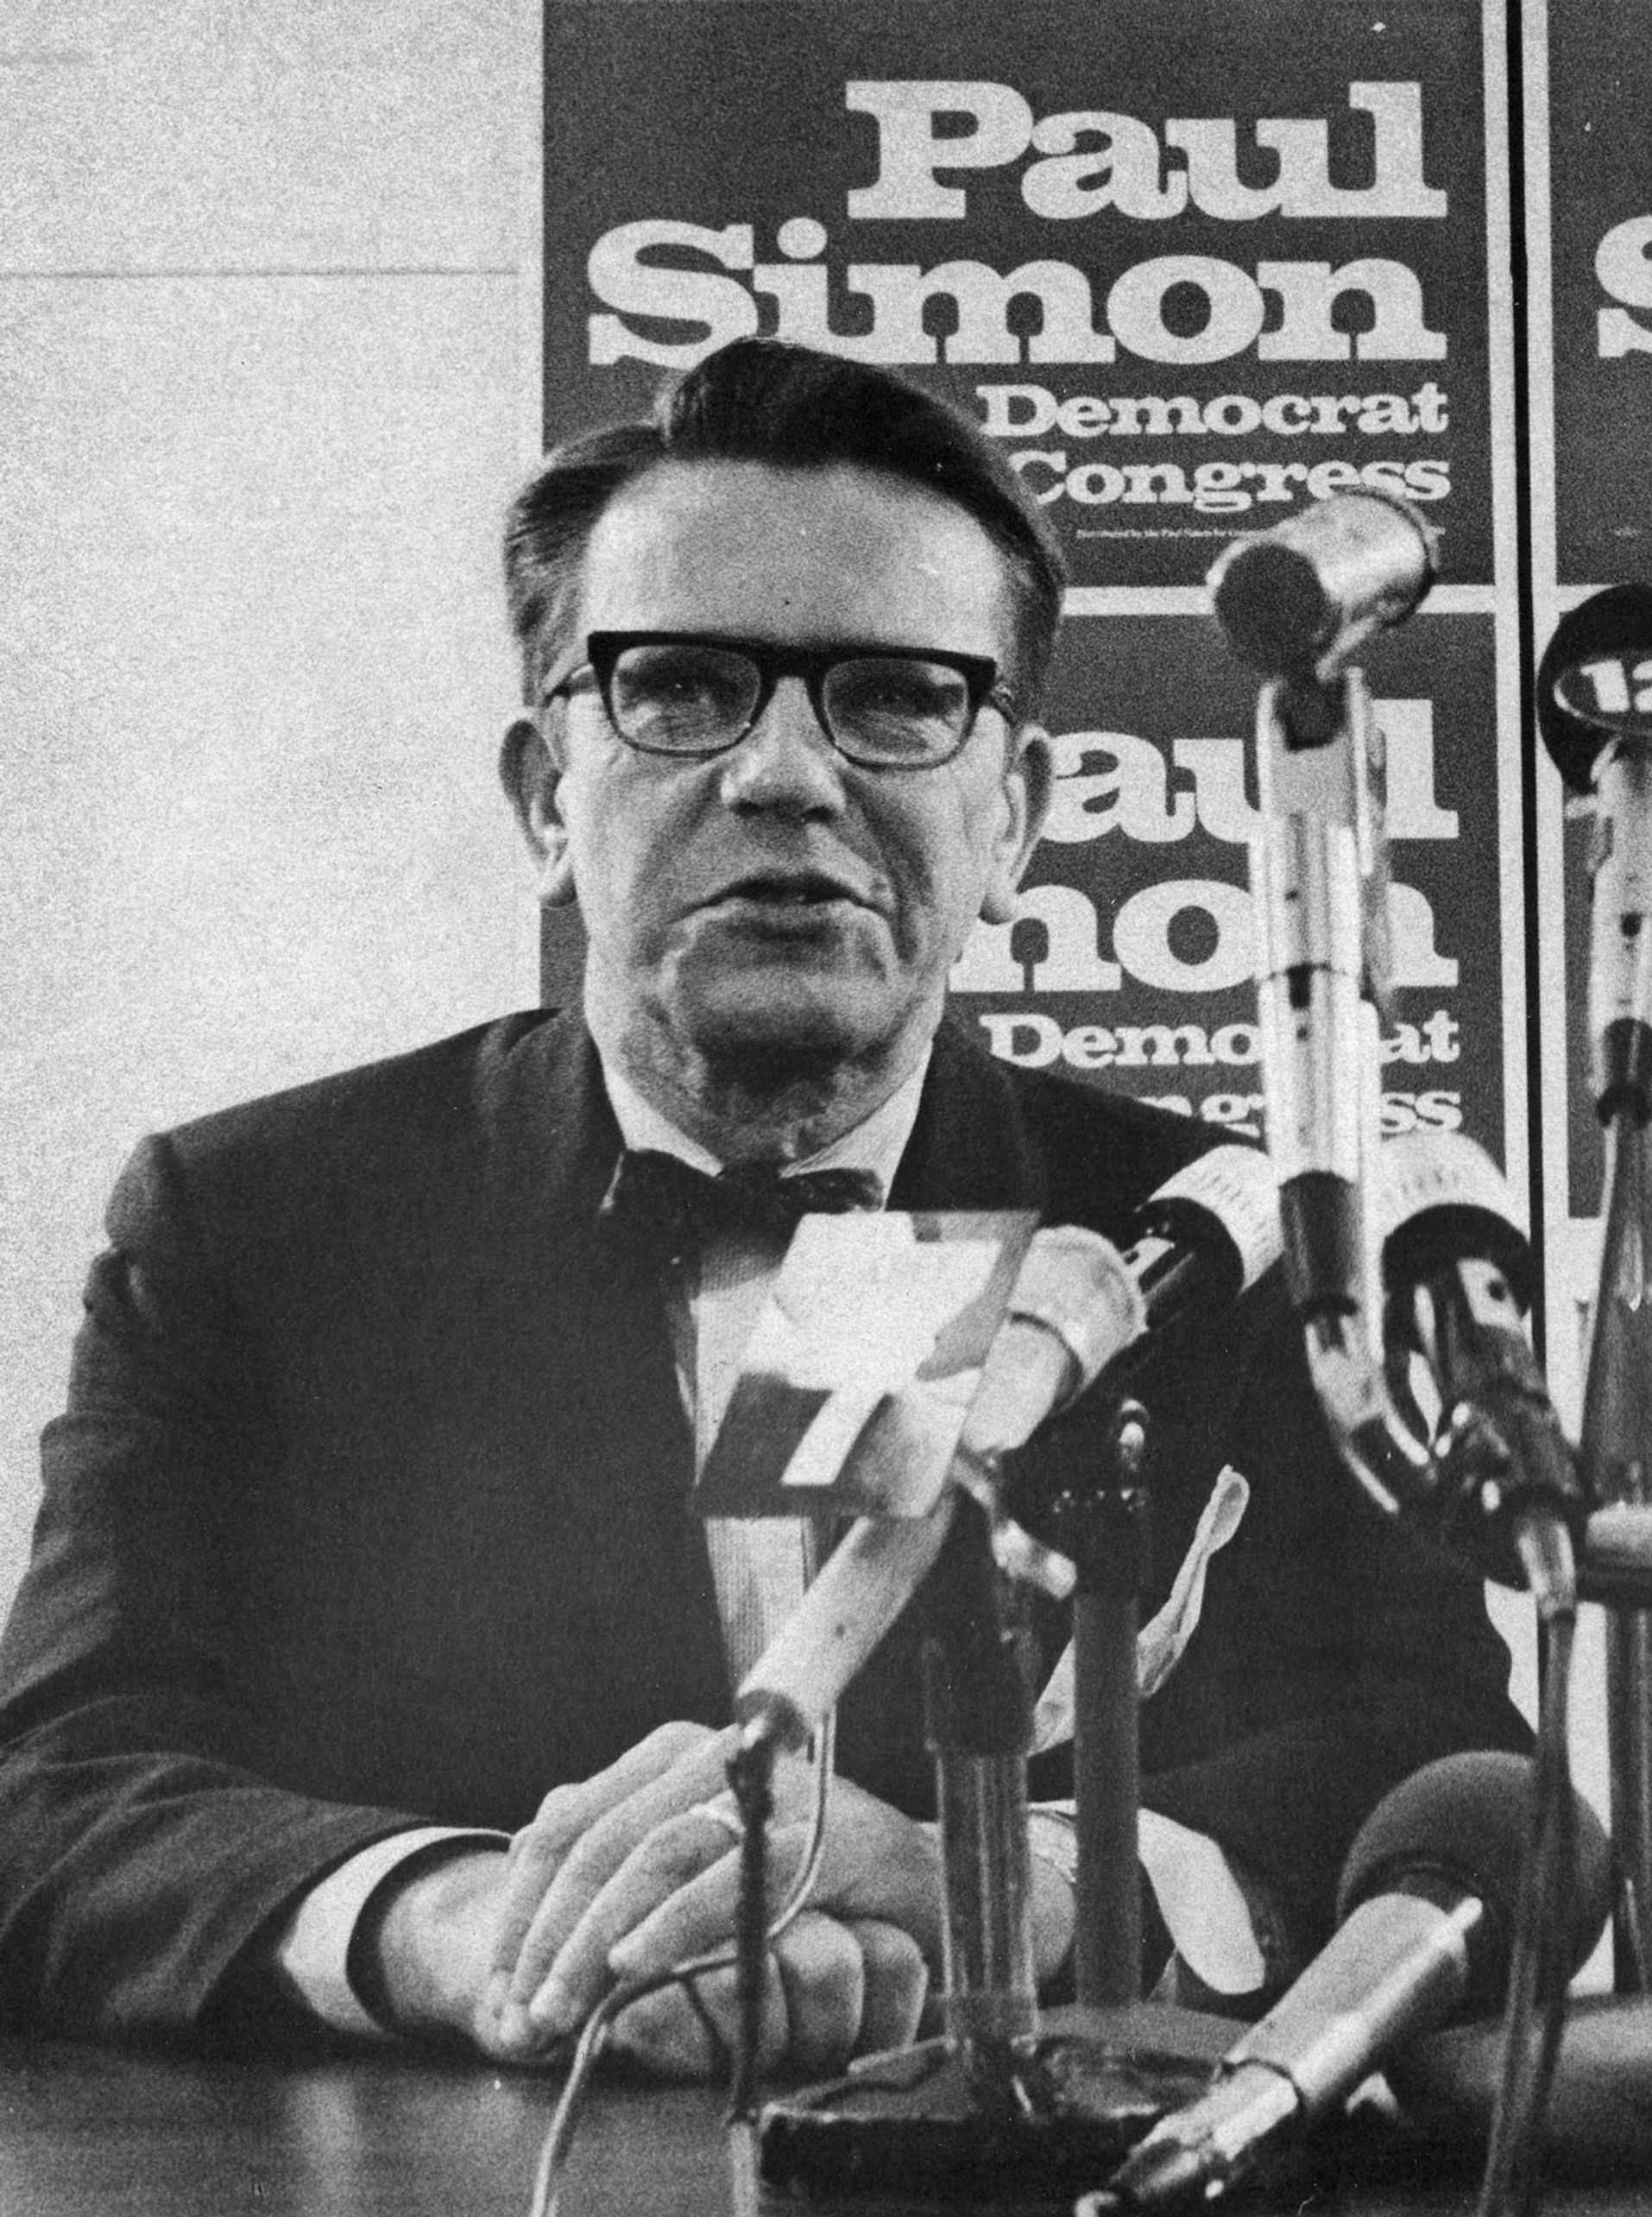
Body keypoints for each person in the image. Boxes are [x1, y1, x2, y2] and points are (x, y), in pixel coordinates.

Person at [0, 338, 1525, 2075]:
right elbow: (59, 1791)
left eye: (893, 697)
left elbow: (1441, 1771)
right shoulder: (251, 1226)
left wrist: (1006, 1884)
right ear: (540, 796)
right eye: (682, 685)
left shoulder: (1226, 1233)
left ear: (1013, 821)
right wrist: (459, 1919)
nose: (786, 776)